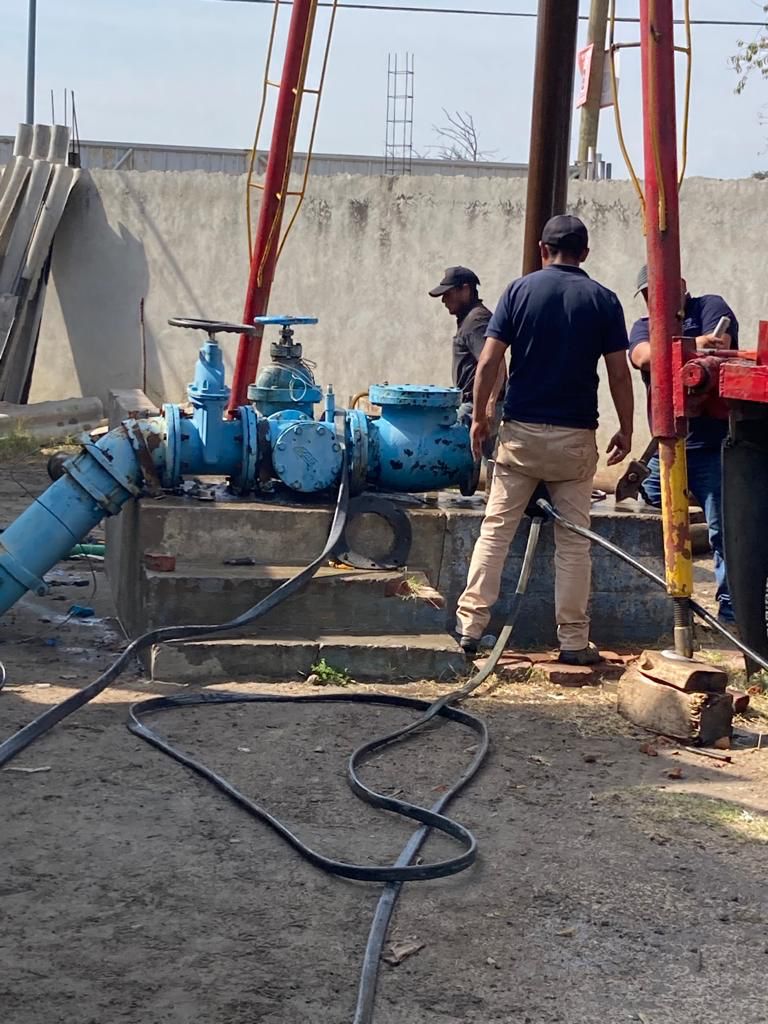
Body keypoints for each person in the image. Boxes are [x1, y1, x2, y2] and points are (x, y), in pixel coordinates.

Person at [455, 215, 634, 664]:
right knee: (573, 542)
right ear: (585, 253)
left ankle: (469, 629)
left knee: (495, 531)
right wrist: (627, 427)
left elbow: (488, 362)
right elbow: (618, 372)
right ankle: (573, 641)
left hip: (521, 435)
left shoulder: (518, 291)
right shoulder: (604, 299)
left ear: (542, 249)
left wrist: (480, 417)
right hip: (575, 437)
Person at [628, 265, 738, 625]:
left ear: (682, 287)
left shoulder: (709, 307)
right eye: (647, 294)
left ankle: (732, 611)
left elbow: (720, 346)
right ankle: (656, 598)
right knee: (644, 508)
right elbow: (642, 356)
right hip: (667, 448)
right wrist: (694, 346)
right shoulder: (644, 326)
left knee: (724, 529)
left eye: (658, 291)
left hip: (711, 445)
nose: (653, 299)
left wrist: (689, 349)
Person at [428, 266, 506, 439]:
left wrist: (489, 403)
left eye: (448, 294)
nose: (444, 300)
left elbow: (496, 362)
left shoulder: (476, 321)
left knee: (470, 455)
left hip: (476, 408)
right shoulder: (470, 319)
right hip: (472, 406)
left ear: (465, 290)